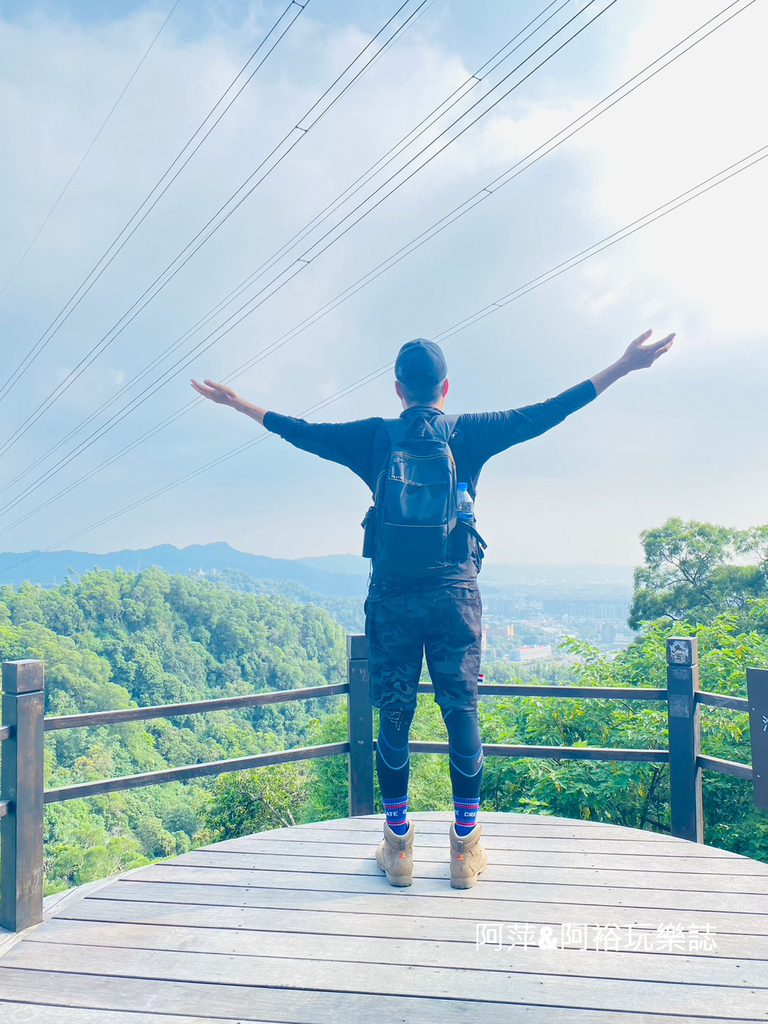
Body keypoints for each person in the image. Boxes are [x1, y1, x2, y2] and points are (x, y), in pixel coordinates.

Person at [191, 327, 674, 889]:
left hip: (393, 598)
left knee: (393, 716)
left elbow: (303, 432)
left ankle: (398, 849)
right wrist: (621, 365)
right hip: (455, 596)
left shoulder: (375, 438)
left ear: (398, 389)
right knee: (460, 713)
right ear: (445, 387)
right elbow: (549, 412)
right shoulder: (469, 434)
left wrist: (239, 403)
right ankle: (465, 851)